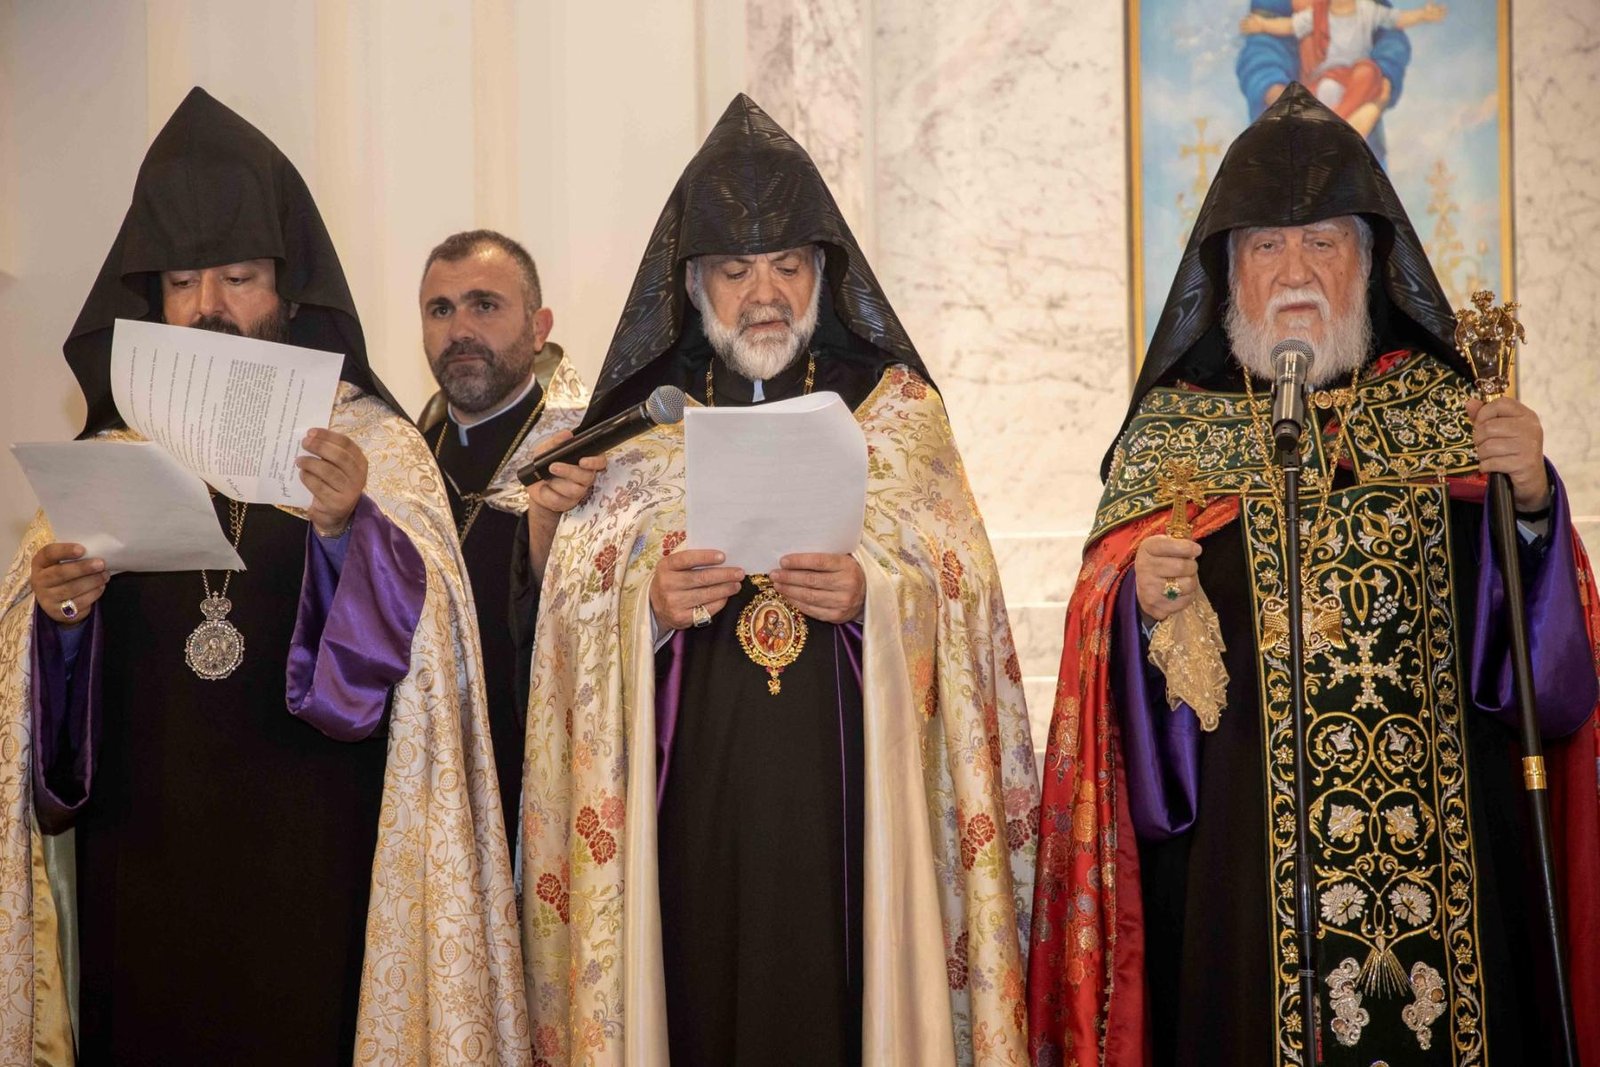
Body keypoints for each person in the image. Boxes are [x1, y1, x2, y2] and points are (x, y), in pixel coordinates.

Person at [1027, 83, 1600, 1066]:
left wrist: (1533, 503)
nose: (1294, 270)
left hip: (1450, 869)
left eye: (1322, 242)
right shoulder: (1171, 436)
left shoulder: (1447, 412)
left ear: (1368, 264)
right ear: (1227, 273)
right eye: (1265, 246)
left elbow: (1539, 675)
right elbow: (1111, 704)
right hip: (1244, 879)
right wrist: (1139, 607)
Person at [0, 88, 527, 1063]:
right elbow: (47, 742)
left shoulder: (371, 449)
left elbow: (414, 675)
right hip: (144, 862)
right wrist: (61, 622)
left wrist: (347, 533)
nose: (208, 305)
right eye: (182, 281)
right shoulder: (108, 457)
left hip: (312, 854)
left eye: (238, 277)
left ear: (287, 291)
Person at [518, 94, 1038, 1065]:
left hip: (850, 803)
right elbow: (571, 605)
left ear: (822, 274)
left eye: (788, 266)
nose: (764, 293)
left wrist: (877, 595)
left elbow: (962, 588)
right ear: (692, 284)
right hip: (690, 802)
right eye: (735, 270)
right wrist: (644, 606)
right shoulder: (636, 426)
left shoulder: (899, 413)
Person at [416, 229, 594, 843]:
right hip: (425, 775)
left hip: (545, 769)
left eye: (484, 305)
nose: (460, 329)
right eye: (440, 310)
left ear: (539, 328)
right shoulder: (400, 463)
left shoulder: (587, 454)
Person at [1239, 0, 1446, 130]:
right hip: (1310, 98)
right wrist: (1289, 107)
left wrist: (1376, 101)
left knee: (1367, 73)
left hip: (1358, 98)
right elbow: (1277, 35)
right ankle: (1329, 129)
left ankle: (1337, 128)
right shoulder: (1316, 15)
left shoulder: (1369, 10)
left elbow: (1393, 29)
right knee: (1327, 89)